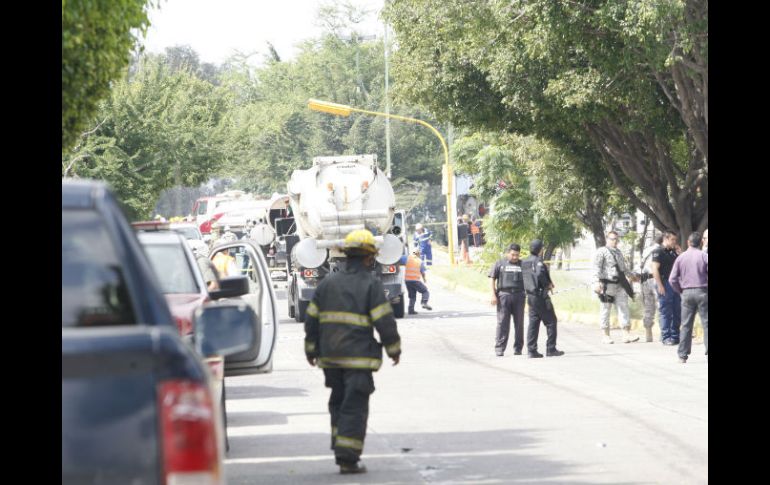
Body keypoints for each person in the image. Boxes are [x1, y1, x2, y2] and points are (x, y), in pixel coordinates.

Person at [304, 229, 401, 475]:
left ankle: (340, 447)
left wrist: (311, 349)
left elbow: (312, 319)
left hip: (331, 359)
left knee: (338, 402)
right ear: (369, 257)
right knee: (354, 407)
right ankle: (347, 457)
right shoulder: (370, 284)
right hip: (358, 360)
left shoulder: (327, 283)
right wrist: (393, 349)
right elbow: (384, 321)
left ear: (346, 255)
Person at [593, 231, 640, 344]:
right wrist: (596, 282)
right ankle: (606, 335)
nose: (615, 241)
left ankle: (626, 334)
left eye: (616, 239)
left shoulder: (618, 252)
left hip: (620, 285)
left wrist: (632, 276)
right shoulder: (601, 252)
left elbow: (623, 268)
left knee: (624, 308)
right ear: (607, 239)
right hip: (607, 285)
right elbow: (596, 268)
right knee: (605, 309)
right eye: (612, 239)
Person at [669, 232, 708, 363]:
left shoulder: (681, 258)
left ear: (688, 242)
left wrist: (680, 290)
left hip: (686, 293)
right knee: (706, 323)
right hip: (703, 291)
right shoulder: (704, 256)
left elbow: (672, 279)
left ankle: (682, 355)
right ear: (701, 242)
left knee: (685, 325)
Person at [522, 239, 564, 358]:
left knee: (533, 323)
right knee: (551, 321)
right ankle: (551, 349)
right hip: (540, 296)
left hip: (530, 296)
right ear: (540, 249)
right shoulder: (538, 261)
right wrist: (547, 284)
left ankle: (531, 350)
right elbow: (540, 274)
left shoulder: (524, 262)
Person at [489, 243, 526, 356]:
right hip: (504, 296)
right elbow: (492, 278)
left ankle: (518, 348)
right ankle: (499, 348)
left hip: (519, 296)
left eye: (517, 255)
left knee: (519, 323)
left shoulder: (523, 265)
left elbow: (530, 279)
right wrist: (493, 294)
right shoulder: (500, 263)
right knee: (502, 323)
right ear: (507, 253)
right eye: (513, 254)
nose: (515, 257)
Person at [652, 231, 681, 345]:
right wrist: (660, 285)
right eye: (672, 239)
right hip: (664, 283)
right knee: (666, 312)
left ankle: (675, 336)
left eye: (675, 240)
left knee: (676, 311)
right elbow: (654, 269)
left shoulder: (674, 252)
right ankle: (666, 337)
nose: (674, 242)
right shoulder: (658, 251)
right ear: (666, 239)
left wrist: (680, 253)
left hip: (675, 284)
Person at [638, 235, 663, 342]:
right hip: (655, 280)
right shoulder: (661, 251)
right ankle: (663, 333)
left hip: (644, 281)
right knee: (661, 306)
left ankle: (648, 334)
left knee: (648, 307)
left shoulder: (646, 251)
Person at [399, 248, 431, 315]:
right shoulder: (420, 261)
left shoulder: (407, 258)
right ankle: (424, 303)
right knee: (425, 291)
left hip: (407, 281)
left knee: (412, 296)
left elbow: (398, 259)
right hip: (415, 281)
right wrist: (424, 279)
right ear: (419, 254)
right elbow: (422, 272)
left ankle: (411, 310)